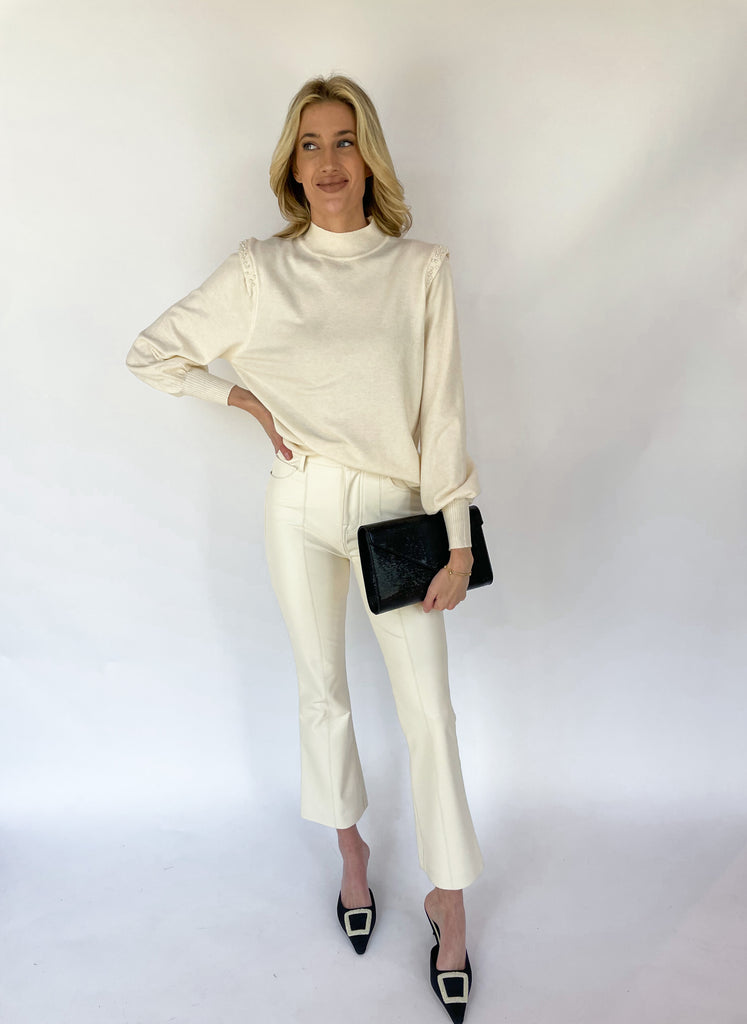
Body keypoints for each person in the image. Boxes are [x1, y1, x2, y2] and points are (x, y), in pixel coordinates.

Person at [126, 73, 483, 1023]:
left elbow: (442, 416)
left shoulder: (420, 270)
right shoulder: (259, 270)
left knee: (430, 712)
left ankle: (448, 899)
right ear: (291, 163)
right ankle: (349, 850)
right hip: (297, 502)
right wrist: (240, 397)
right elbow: (153, 352)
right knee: (321, 688)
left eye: (344, 140)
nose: (327, 161)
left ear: (370, 157)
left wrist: (456, 541)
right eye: (310, 143)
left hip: (395, 512)